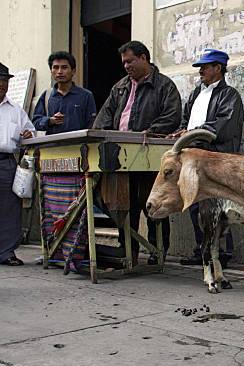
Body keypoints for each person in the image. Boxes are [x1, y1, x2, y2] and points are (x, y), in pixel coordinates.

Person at [93, 41, 182, 264]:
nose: (126, 66)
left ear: (144, 58)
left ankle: (157, 251)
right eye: (124, 62)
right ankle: (128, 250)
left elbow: (172, 117)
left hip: (150, 156)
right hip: (120, 157)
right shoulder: (119, 87)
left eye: (130, 61)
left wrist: (149, 132)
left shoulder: (164, 86)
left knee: (153, 206)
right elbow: (104, 117)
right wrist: (103, 136)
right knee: (123, 205)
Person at [168, 48, 244, 266]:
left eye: (204, 67)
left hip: (216, 158)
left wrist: (192, 133)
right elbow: (185, 120)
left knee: (218, 206)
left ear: (217, 68)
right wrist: (181, 132)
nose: (200, 71)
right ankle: (202, 249)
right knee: (194, 204)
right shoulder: (196, 93)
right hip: (194, 157)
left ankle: (223, 252)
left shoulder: (229, 96)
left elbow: (222, 128)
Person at [0, 62, 35, 266]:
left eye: (4, 81)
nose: (1, 85)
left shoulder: (16, 110)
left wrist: (28, 135)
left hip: (6, 163)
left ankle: (6, 252)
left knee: (10, 208)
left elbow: (30, 134)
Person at [32, 51, 96, 134]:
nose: (59, 71)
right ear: (51, 71)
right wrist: (50, 121)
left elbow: (92, 125)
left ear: (73, 71)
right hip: (52, 145)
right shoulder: (47, 96)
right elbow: (35, 123)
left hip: (77, 145)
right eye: (55, 67)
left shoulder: (86, 96)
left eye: (64, 67)